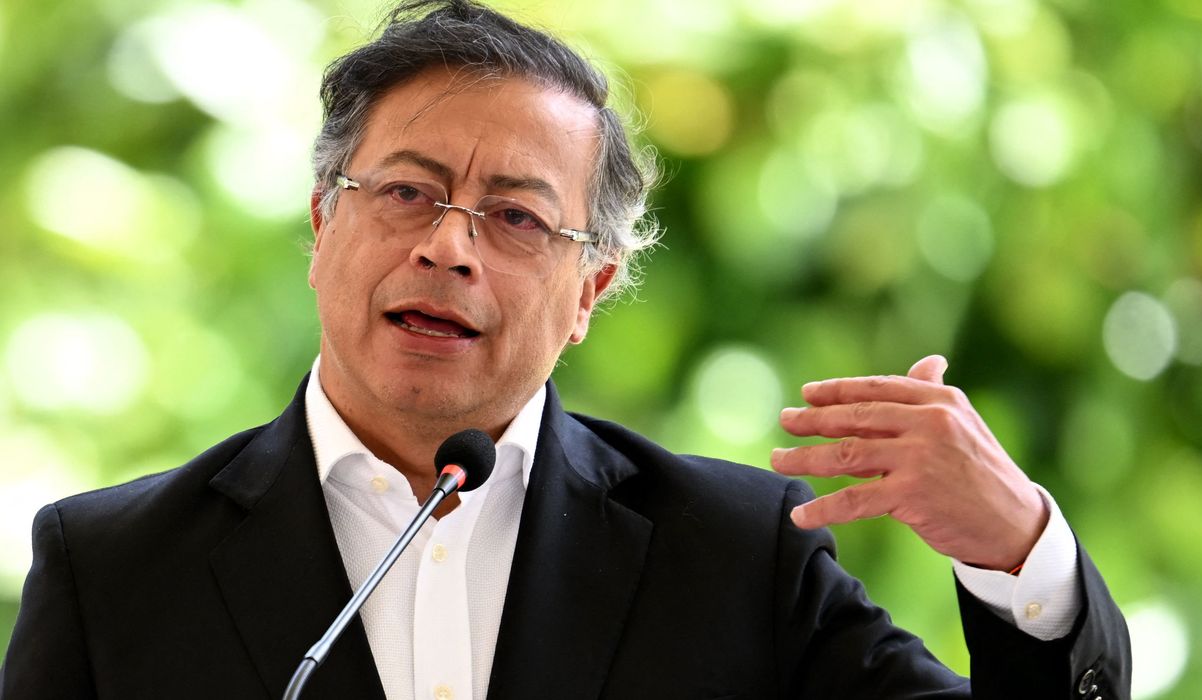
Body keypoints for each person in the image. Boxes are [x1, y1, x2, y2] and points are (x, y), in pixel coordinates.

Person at [0, 1, 1130, 698]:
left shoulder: (736, 559)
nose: (448, 246)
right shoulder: (113, 571)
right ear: (320, 224)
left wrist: (1018, 554)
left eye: (516, 217)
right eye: (406, 192)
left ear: (589, 289)